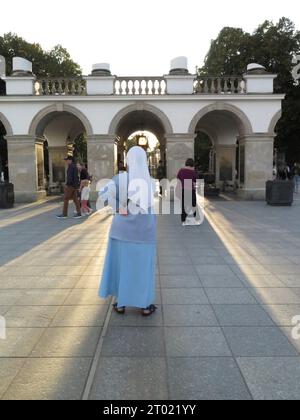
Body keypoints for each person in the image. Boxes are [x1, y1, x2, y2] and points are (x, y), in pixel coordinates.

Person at [99, 146, 157, 317]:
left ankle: (121, 304)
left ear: (129, 160)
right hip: (145, 231)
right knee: (143, 268)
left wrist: (120, 208)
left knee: (122, 267)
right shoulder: (152, 182)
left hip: (121, 230)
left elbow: (104, 195)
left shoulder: (120, 179)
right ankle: (145, 306)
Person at [177, 158, 199, 226]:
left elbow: (178, 179)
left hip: (183, 190)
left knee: (183, 205)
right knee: (194, 204)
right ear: (192, 164)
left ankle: (183, 221)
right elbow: (196, 181)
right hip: (190, 190)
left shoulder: (181, 171)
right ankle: (196, 220)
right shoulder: (193, 172)